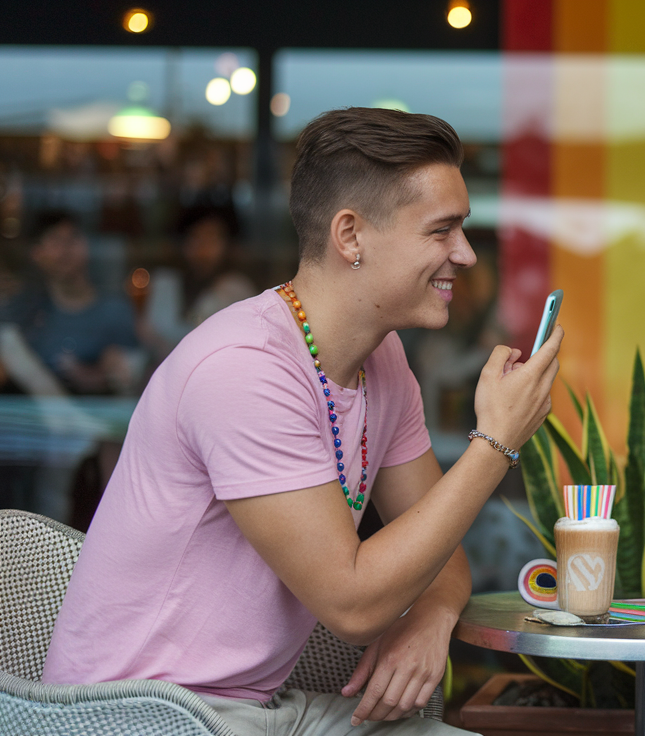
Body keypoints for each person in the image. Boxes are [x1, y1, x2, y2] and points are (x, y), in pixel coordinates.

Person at [44, 107, 562, 736]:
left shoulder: (383, 358)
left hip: (254, 708)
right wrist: (495, 442)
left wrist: (430, 619)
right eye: (441, 230)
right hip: (143, 716)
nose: (467, 254)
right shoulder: (244, 370)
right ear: (351, 236)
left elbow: (440, 548)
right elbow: (353, 602)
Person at [1, 211, 141, 395]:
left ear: (87, 246)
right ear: (37, 253)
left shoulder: (116, 310)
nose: (65, 249)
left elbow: (134, 376)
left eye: (73, 238)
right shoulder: (24, 312)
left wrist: (106, 377)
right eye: (55, 241)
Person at [143, 204, 257, 355]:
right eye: (195, 237)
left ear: (228, 245)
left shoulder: (236, 290)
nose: (203, 248)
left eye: (211, 238)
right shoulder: (165, 282)